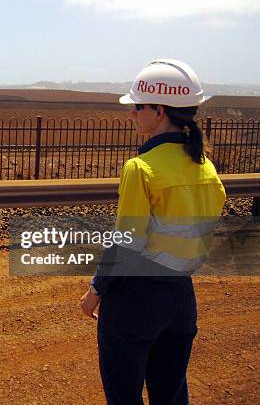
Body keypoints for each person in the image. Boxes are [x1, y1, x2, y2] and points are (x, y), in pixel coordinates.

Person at [79, 59, 226, 404]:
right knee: (171, 394)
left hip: (136, 301)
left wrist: (95, 291)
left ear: (159, 110)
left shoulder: (141, 169)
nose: (132, 114)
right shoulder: (206, 167)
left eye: (137, 107)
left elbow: (127, 243)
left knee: (123, 395)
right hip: (181, 299)